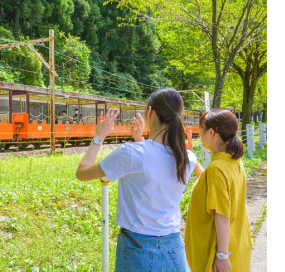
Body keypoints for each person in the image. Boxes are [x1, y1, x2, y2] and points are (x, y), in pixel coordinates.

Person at [75, 87, 202, 271]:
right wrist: (140, 139)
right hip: (174, 247)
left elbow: (82, 173)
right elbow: (156, 160)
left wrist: (99, 136)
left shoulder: (131, 153)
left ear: (150, 112)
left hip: (138, 248)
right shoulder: (188, 158)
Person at [185, 109, 251, 272]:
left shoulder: (217, 169)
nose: (199, 133)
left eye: (202, 129)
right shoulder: (233, 161)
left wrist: (222, 256)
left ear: (212, 133)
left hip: (218, 254)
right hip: (237, 245)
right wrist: (192, 159)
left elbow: (222, 216)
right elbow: (211, 186)